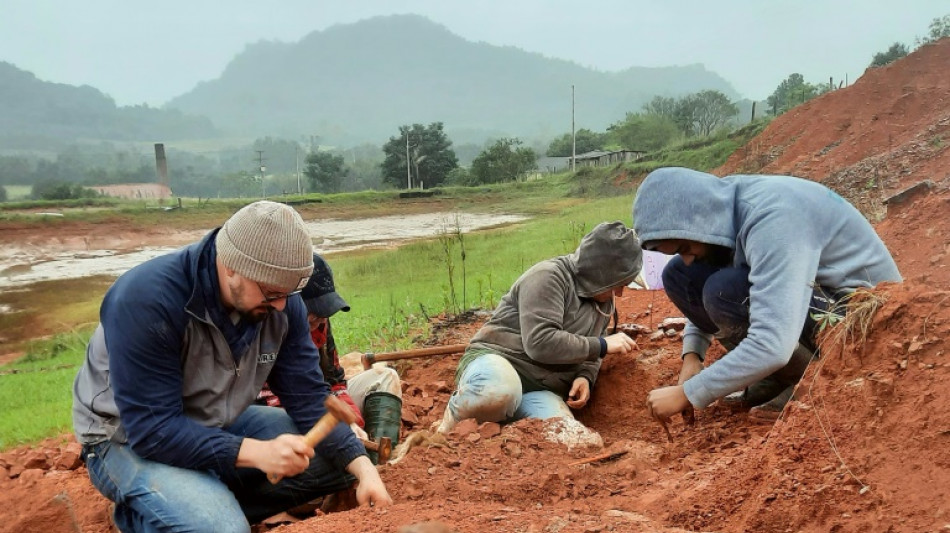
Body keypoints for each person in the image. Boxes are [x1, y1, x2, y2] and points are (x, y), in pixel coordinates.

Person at [72, 201, 392, 533]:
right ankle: (167, 513)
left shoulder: (281, 303)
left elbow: (308, 396)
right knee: (222, 529)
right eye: (271, 292)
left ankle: (199, 502)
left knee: (338, 461)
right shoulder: (147, 300)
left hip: (212, 420)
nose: (281, 305)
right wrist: (256, 453)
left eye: (289, 292)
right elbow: (153, 431)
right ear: (230, 267)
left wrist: (363, 469)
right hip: (125, 438)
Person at [633, 167, 902, 422]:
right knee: (680, 275)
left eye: (684, 247)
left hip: (861, 319)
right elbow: (697, 274)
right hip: (817, 292)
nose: (687, 258)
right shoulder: (722, 208)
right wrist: (692, 356)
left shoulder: (773, 219)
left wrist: (687, 394)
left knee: (725, 291)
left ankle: (812, 382)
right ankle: (777, 376)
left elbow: (772, 343)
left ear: (699, 221)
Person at [435, 221, 642, 441]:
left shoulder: (603, 301)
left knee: (574, 440)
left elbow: (593, 350)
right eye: (618, 284)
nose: (620, 293)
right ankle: (446, 427)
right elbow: (540, 343)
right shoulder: (548, 277)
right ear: (601, 274)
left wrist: (585, 376)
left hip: (541, 388)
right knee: (498, 394)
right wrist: (602, 345)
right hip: (500, 361)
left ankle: (501, 428)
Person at [258, 253, 403, 462]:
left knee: (385, 377)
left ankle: (377, 461)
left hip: (321, 404)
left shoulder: (321, 326)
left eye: (324, 313)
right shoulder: (268, 329)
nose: (321, 320)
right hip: (286, 415)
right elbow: (273, 401)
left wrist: (351, 421)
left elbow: (335, 382)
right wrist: (336, 424)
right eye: (313, 314)